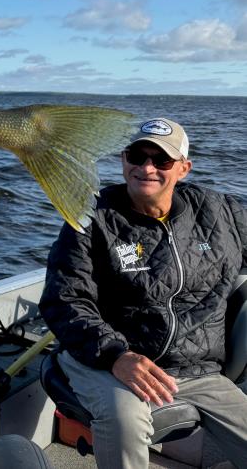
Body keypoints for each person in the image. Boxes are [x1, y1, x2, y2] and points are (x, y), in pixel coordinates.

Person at [39, 117, 247, 468]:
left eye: (162, 160)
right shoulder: (92, 216)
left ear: (183, 168)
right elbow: (64, 298)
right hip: (109, 359)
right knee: (126, 420)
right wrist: (116, 355)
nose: (147, 167)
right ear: (124, 161)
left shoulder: (222, 213)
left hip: (199, 368)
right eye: (137, 156)